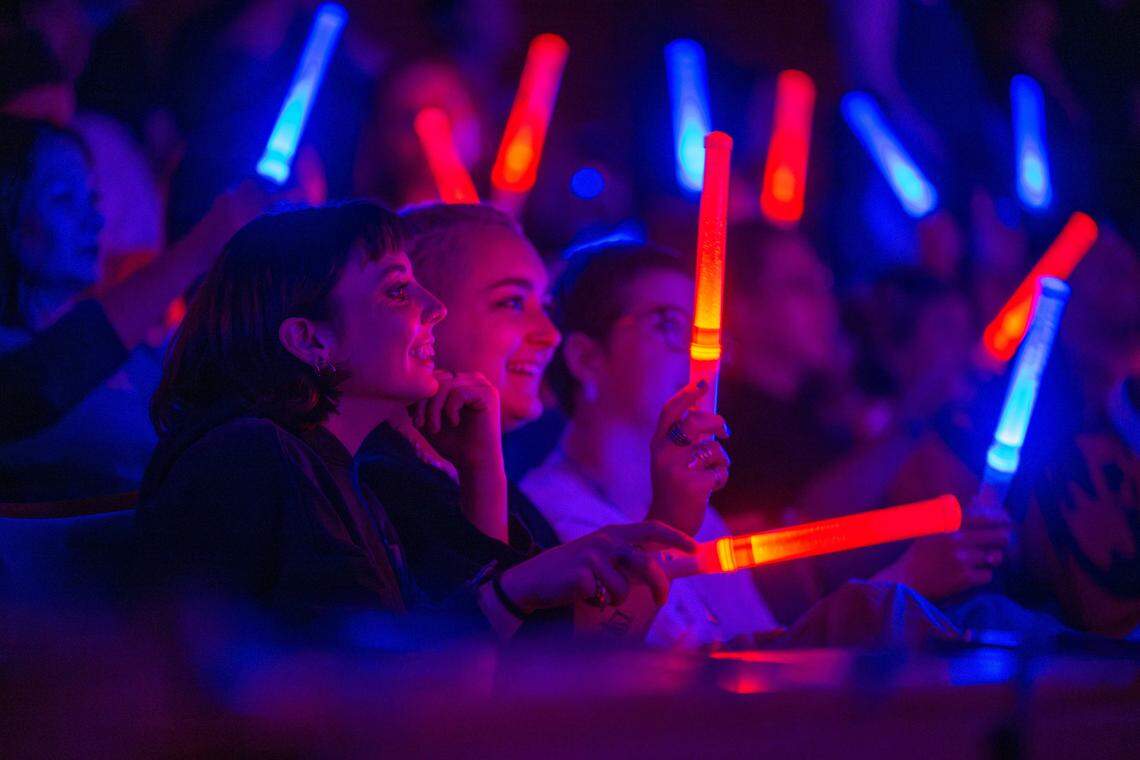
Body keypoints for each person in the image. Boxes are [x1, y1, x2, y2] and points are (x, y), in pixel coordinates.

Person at [136, 202, 695, 639]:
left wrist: (483, 475)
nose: (434, 308)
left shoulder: (339, 476)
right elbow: (379, 691)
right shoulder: (252, 457)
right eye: (399, 290)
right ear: (310, 339)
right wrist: (512, 592)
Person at [519, 243, 771, 647]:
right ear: (586, 358)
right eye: (668, 325)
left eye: (704, 334)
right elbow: (602, 670)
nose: (700, 357)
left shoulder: (702, 516)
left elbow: (763, 645)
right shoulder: (543, 519)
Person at [0, 115, 263, 491]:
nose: (94, 219)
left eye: (92, 198)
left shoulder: (137, 353)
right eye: (62, 198)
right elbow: (39, 384)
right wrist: (201, 245)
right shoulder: (19, 364)